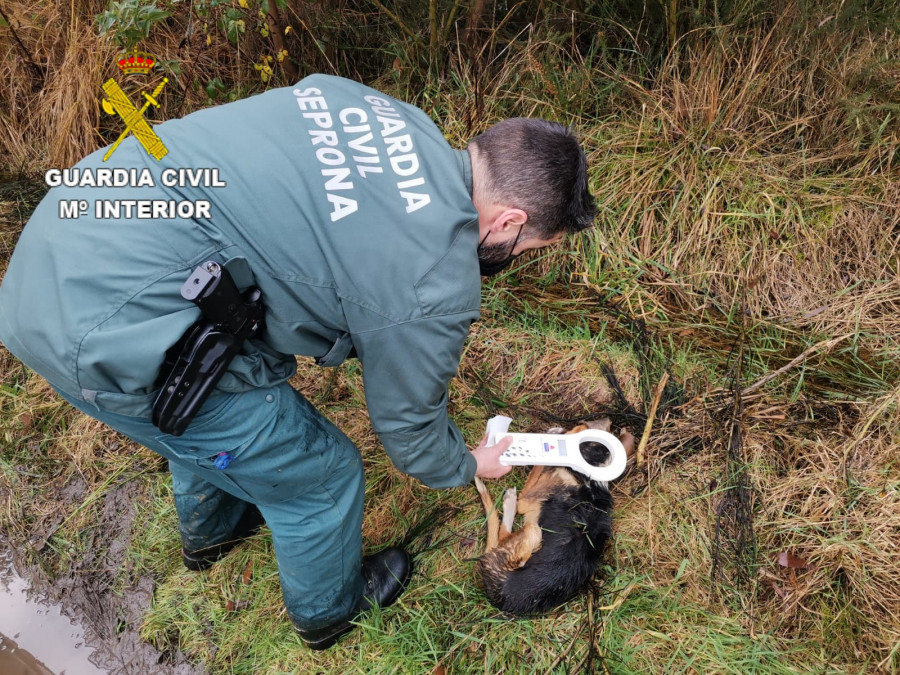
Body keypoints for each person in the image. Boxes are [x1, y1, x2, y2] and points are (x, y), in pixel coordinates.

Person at [0, 73, 596, 649]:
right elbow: (409, 430)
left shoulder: (386, 115)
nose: (517, 257)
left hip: (75, 225)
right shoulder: (434, 280)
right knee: (321, 473)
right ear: (510, 221)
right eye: (529, 248)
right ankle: (328, 613)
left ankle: (212, 533)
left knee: (218, 405)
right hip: (97, 319)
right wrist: (468, 463)